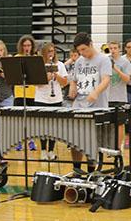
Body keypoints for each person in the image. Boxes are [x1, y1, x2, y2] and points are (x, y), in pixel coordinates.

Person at [69, 32, 112, 172]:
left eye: (84, 49)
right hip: (79, 106)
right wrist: (72, 88)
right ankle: (76, 171)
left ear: (91, 45)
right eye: (79, 50)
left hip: (97, 107)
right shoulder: (79, 61)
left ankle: (92, 172)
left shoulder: (103, 60)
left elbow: (106, 80)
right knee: (75, 141)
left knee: (92, 142)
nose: (82, 53)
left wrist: (96, 92)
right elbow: (74, 80)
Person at [34, 42, 69, 161]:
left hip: (56, 99)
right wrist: (47, 77)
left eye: (53, 51)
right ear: (44, 53)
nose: (51, 53)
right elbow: (37, 83)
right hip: (41, 99)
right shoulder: (39, 65)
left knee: (54, 127)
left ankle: (51, 151)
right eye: (48, 51)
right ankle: (43, 151)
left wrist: (56, 75)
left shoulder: (60, 65)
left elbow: (65, 82)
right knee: (43, 127)